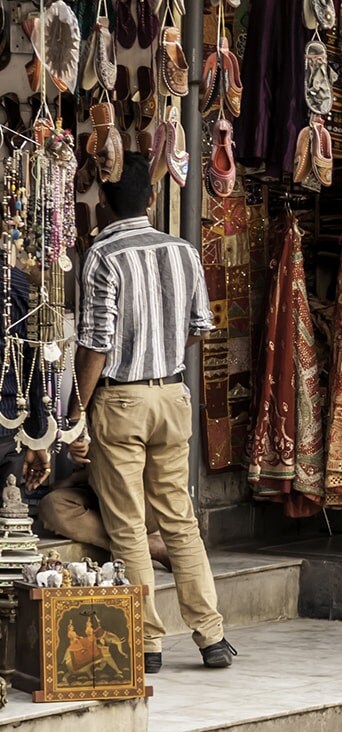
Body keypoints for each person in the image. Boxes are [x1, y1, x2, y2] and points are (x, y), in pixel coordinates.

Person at [72, 153, 232, 674]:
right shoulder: (183, 252)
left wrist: (76, 408)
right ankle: (212, 636)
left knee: (129, 526)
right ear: (151, 197)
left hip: (121, 399)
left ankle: (148, 643)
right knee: (180, 521)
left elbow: (95, 345)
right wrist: (160, 352)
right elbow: (198, 326)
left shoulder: (103, 254)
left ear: (103, 202)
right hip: (172, 394)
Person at [34, 446, 171, 570]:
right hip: (97, 492)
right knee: (52, 505)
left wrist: (75, 477)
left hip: (137, 497)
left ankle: (144, 547)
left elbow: (121, 463)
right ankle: (147, 545)